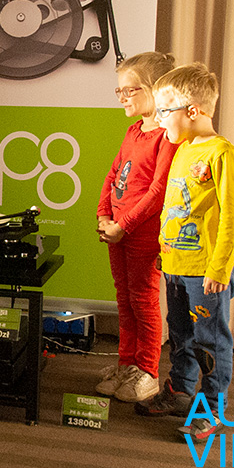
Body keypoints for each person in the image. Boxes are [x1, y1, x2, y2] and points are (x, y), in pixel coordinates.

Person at [134, 63, 234, 443]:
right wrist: (164, 252)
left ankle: (212, 408)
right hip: (176, 265)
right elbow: (174, 208)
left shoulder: (223, 154)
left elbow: (233, 216)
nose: (159, 119)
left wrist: (220, 267)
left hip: (206, 270)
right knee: (180, 333)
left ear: (192, 111)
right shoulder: (182, 151)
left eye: (164, 111)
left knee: (209, 339)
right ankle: (180, 390)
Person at [94, 52, 178, 402]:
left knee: (143, 301)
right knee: (124, 299)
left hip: (142, 234)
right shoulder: (133, 131)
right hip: (117, 230)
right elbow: (114, 174)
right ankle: (126, 364)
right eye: (120, 91)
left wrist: (124, 225)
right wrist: (104, 214)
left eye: (130, 90)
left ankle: (148, 371)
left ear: (156, 89)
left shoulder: (167, 136)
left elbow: (159, 190)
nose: (123, 98)